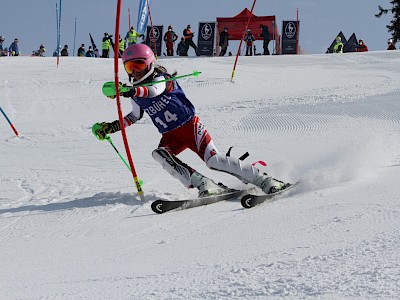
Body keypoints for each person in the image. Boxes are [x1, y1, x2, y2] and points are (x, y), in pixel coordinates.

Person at [92, 43, 290, 197]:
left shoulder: (162, 78)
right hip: (170, 136)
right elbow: (135, 116)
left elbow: (154, 91)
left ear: (150, 63)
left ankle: (266, 180)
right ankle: (205, 184)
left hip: (190, 127)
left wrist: (130, 90)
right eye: (130, 66)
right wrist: (112, 127)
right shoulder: (135, 94)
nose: (134, 71)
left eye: (139, 65)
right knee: (160, 154)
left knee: (213, 161)